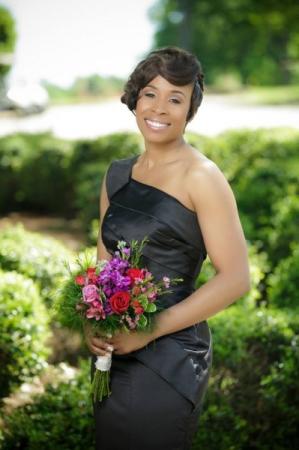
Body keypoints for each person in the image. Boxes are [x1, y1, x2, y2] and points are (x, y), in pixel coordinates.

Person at [84, 46, 250, 450]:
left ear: (190, 108)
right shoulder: (118, 174)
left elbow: (236, 279)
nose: (159, 108)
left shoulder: (203, 177)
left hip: (170, 358)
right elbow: (105, 263)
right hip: (114, 351)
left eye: (175, 98)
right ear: (135, 98)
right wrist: (93, 320)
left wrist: (148, 332)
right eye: (150, 94)